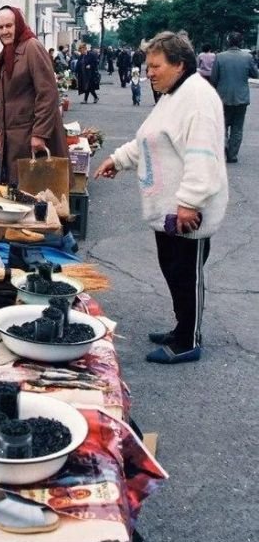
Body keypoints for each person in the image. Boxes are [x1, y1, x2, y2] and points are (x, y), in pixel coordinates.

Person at [94, 31, 228, 365]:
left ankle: (188, 340)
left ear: (179, 64)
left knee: (186, 274)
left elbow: (203, 157)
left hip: (186, 211)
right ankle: (182, 326)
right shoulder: (173, 94)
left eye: (155, 66)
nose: (149, 72)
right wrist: (119, 159)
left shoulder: (197, 98)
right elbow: (149, 140)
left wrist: (189, 202)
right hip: (168, 209)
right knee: (173, 270)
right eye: (148, 66)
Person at [0, 5, 68, 184]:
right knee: (22, 188)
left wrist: (40, 133)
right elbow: (3, 98)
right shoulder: (7, 54)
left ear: (18, 24)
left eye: (9, 26)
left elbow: (48, 93)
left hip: (30, 134)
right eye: (0, 27)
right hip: (14, 135)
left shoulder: (32, 47)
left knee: (38, 190)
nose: (4, 31)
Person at [210, 31, 258, 163]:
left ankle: (223, 147)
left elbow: (214, 78)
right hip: (241, 98)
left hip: (222, 97)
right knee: (237, 128)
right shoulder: (247, 57)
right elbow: (255, 74)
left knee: (222, 126)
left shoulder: (219, 57)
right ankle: (232, 155)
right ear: (241, 42)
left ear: (227, 42)